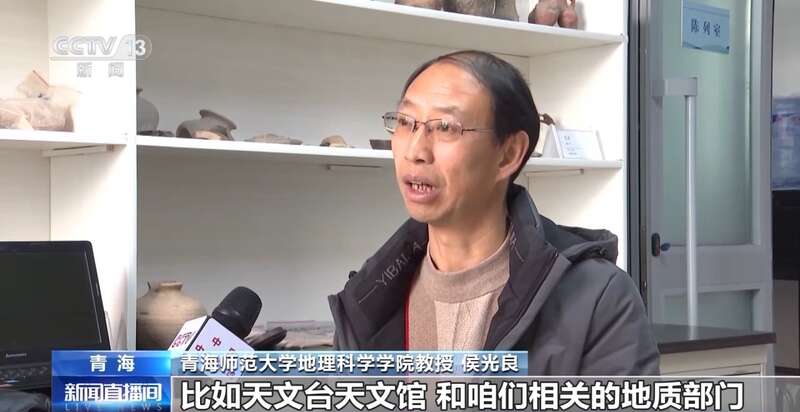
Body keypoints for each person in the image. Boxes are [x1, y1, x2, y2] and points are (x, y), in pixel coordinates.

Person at [328, 50, 660, 375]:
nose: (415, 151)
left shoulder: (597, 298)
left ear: (509, 154)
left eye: (446, 127)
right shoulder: (367, 301)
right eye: (405, 122)